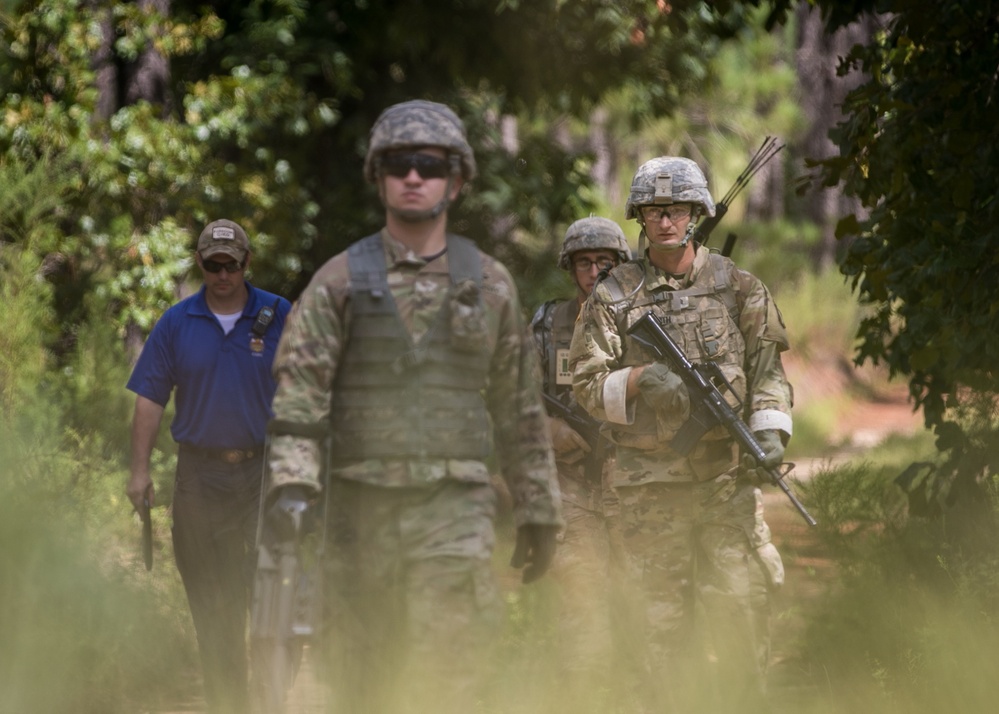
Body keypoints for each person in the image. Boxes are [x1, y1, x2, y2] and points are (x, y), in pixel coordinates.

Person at [263, 99, 563, 714]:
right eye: (399, 163)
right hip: (356, 512)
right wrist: (292, 485)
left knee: (451, 671)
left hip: (451, 507)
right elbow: (299, 392)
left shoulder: (489, 283)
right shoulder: (339, 281)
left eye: (429, 164)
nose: (414, 175)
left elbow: (519, 407)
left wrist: (539, 506)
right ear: (378, 176)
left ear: (455, 180)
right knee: (360, 677)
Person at [568, 157, 791, 713]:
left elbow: (768, 371)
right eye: (654, 211)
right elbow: (585, 384)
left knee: (740, 613)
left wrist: (769, 431)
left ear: (697, 213)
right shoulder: (613, 293)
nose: (666, 221)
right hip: (649, 491)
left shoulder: (739, 287)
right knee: (659, 631)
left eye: (677, 210)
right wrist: (640, 379)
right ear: (640, 217)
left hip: (725, 482)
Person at [125, 219, 291, 714]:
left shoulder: (278, 314)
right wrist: (138, 471)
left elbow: (310, 386)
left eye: (232, 264)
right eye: (214, 264)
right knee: (213, 605)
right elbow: (150, 400)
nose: (223, 274)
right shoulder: (176, 323)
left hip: (263, 474)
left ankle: (271, 699)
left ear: (247, 263)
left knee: (267, 599)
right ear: (201, 263)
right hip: (199, 478)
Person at [529, 216, 629, 696]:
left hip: (633, 483)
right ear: (571, 268)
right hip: (570, 485)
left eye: (604, 262)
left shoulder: (646, 321)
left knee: (641, 604)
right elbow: (515, 399)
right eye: (585, 262)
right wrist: (547, 427)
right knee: (583, 604)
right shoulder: (549, 324)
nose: (594, 272)